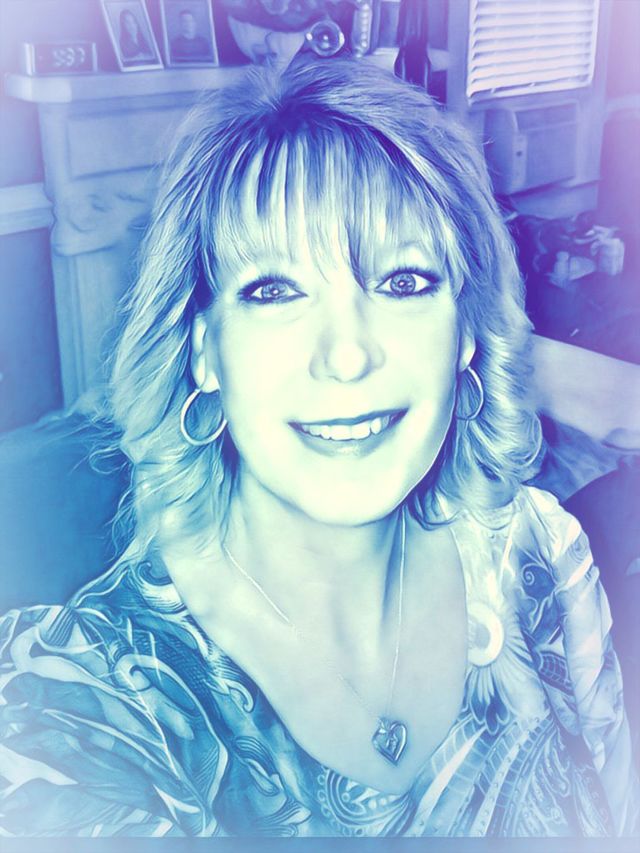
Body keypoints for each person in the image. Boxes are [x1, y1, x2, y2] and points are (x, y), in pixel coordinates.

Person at [0, 58, 638, 837]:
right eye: (273, 290)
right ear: (203, 351)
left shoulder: (541, 553)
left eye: (403, 282)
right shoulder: (85, 703)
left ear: (465, 334)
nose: (347, 354)